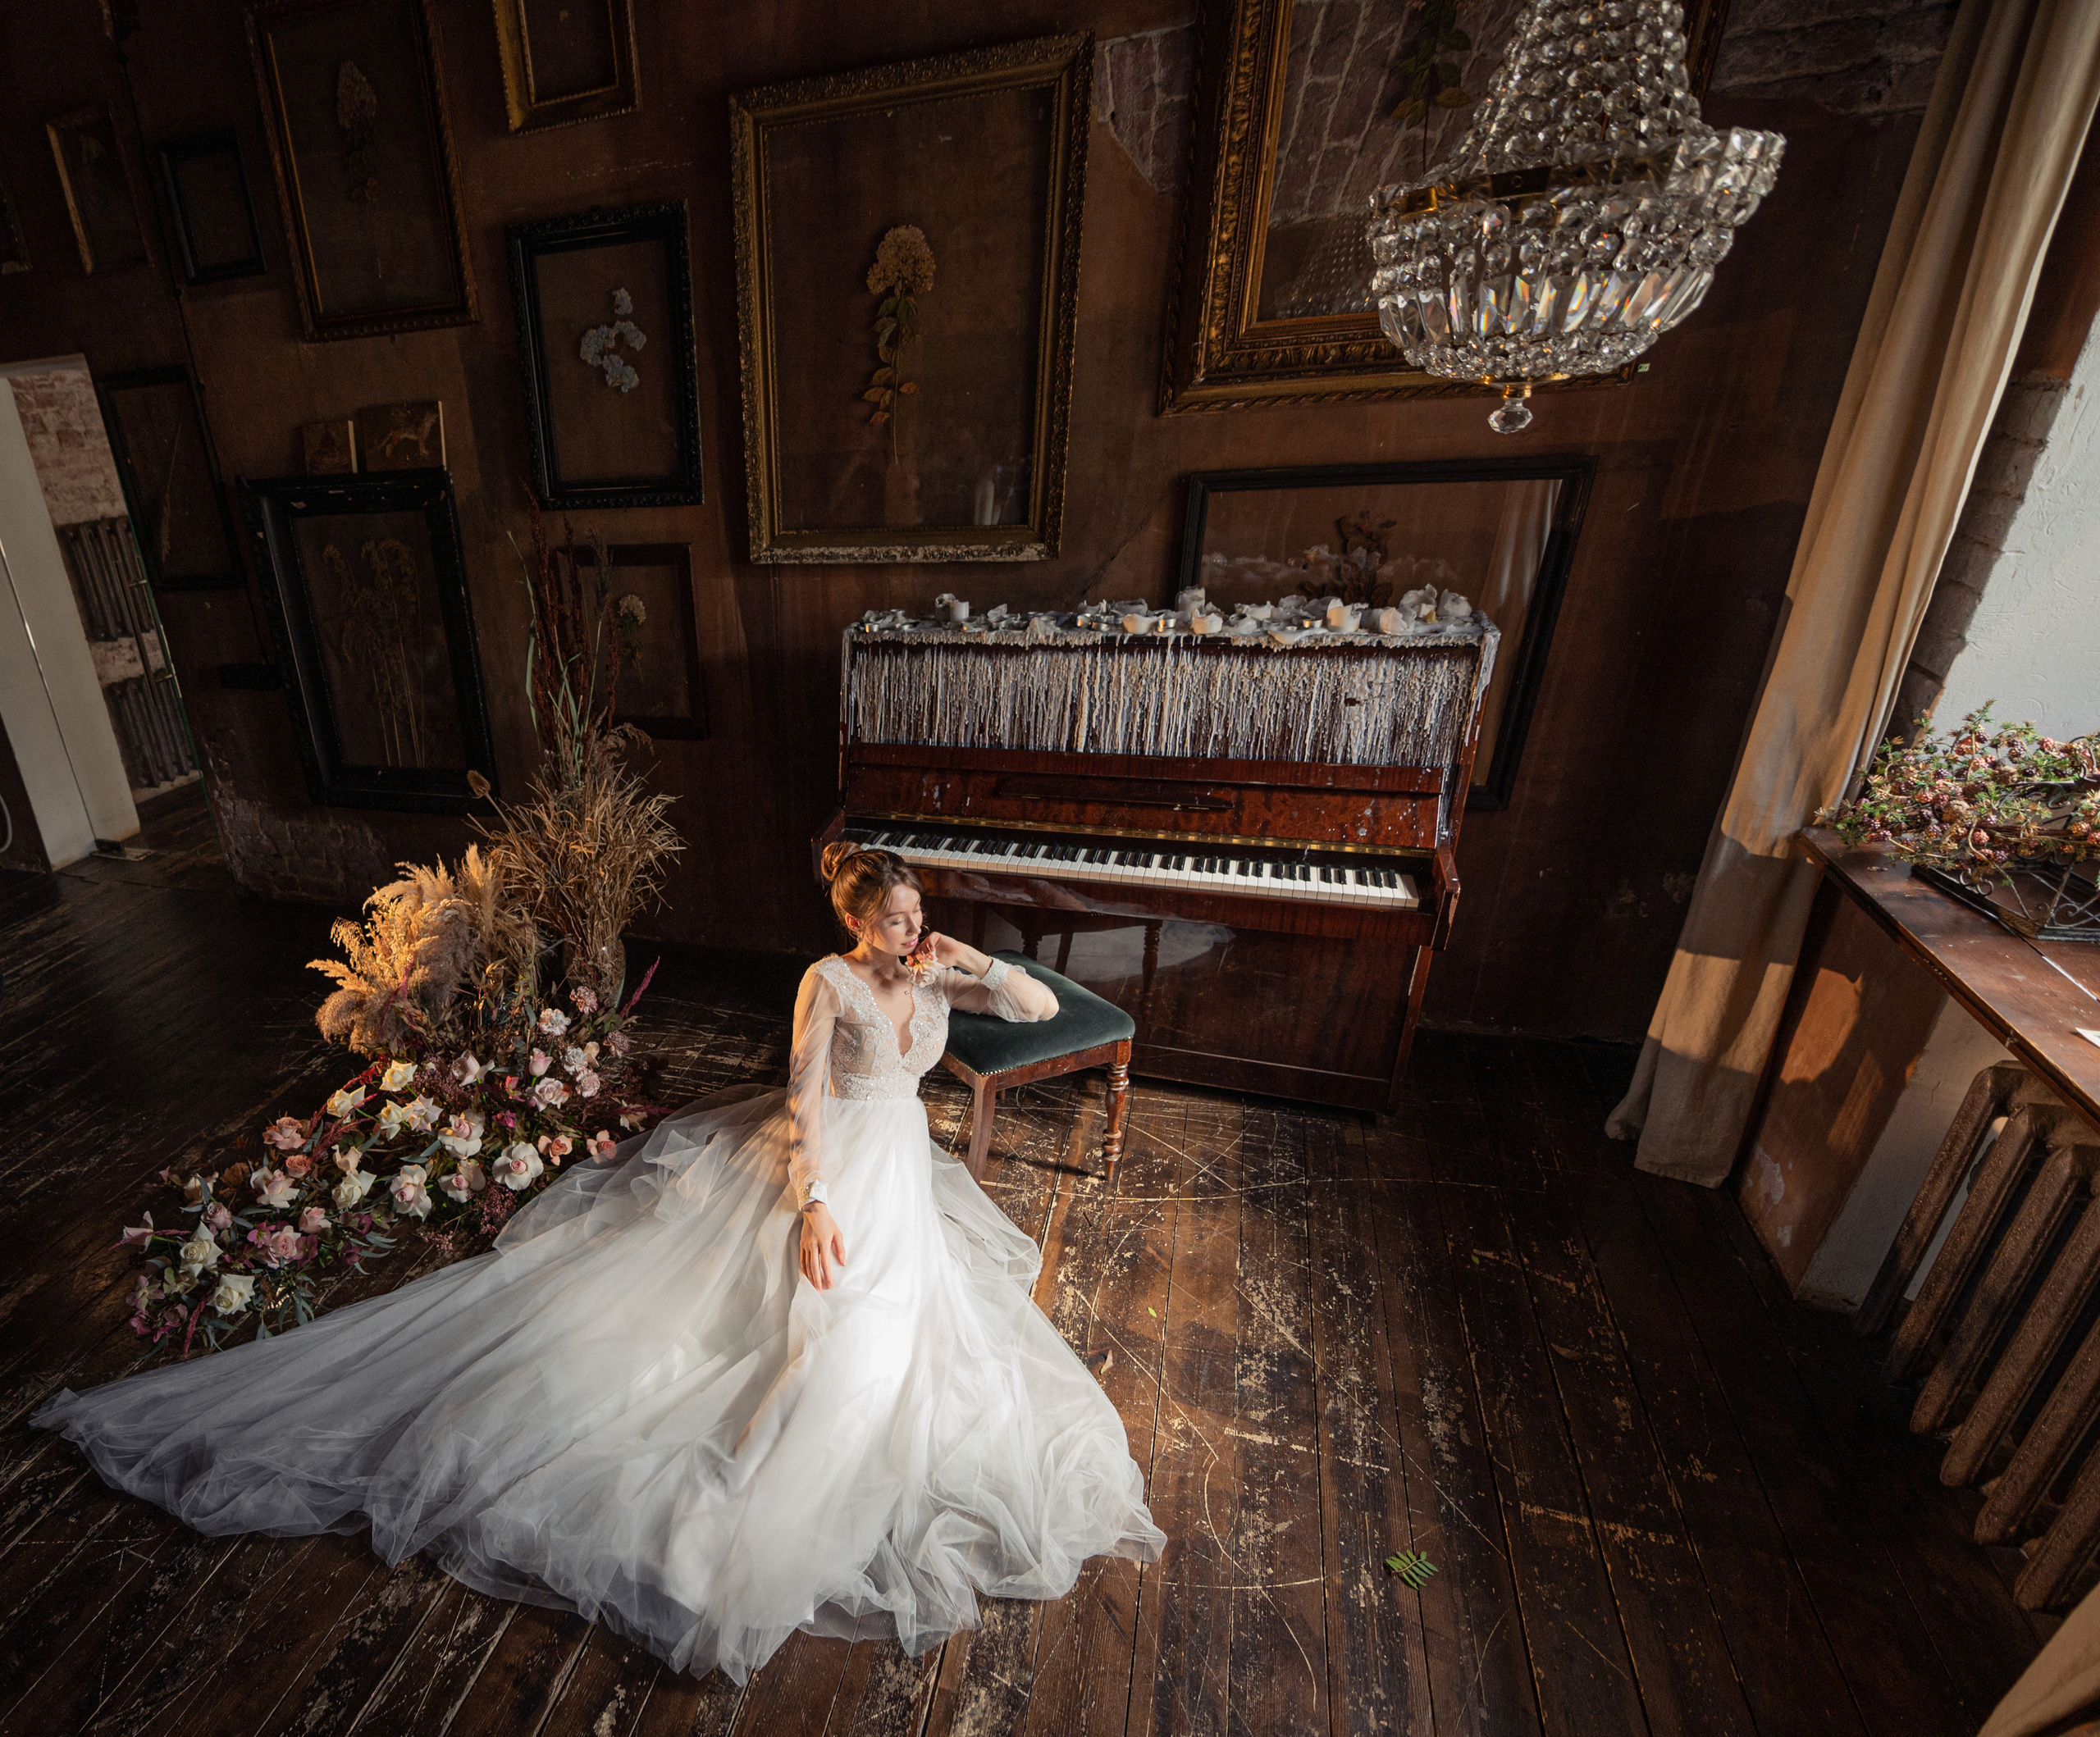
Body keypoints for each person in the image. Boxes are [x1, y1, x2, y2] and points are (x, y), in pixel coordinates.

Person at [32, 844, 1165, 1684]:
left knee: (914, 1344)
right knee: (818, 1338)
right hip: (842, 1168)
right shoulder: (829, 980)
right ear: (855, 919)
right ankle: (710, 1518)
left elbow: (1037, 1005)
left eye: (920, 913)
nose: (911, 928)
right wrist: (813, 1201)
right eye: (897, 916)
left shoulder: (936, 969)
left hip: (907, 1172)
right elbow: (808, 1097)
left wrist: (975, 963)